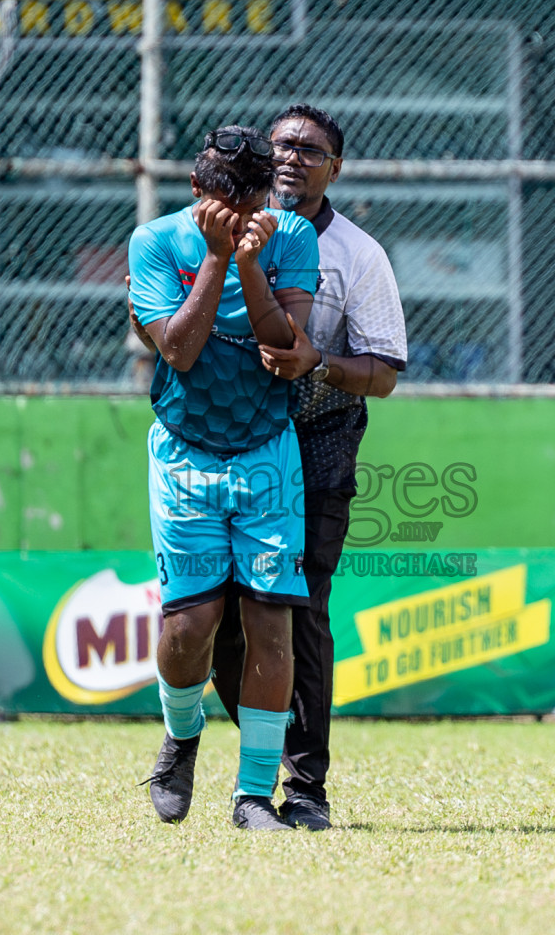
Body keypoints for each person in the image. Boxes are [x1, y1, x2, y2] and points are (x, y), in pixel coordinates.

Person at [209, 104, 408, 832]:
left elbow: (384, 371)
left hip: (319, 440)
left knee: (300, 613)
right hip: (230, 438)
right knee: (219, 615)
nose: (293, 157)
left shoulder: (359, 255)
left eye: (312, 150)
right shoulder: (224, 227)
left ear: (335, 168)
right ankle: (263, 745)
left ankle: (305, 785)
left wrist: (316, 362)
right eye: (283, 144)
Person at [127, 125, 319, 831]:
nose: (238, 213)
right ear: (197, 189)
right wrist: (215, 258)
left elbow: (287, 349)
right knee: (191, 624)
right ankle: (181, 738)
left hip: (268, 451)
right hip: (185, 453)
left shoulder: (291, 237)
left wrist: (248, 264)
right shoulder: (155, 242)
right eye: (223, 199)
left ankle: (251, 796)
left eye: (251, 198)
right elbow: (176, 350)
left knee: (271, 625)